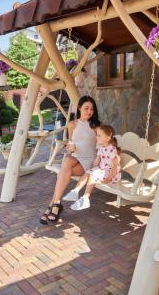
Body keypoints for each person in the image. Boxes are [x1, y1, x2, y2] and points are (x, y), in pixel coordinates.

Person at [40, 95, 100, 224]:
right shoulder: (72, 124)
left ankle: (53, 205)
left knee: (63, 171)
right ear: (79, 108)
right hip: (75, 157)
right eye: (86, 108)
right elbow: (70, 143)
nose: (89, 111)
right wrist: (69, 147)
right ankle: (56, 204)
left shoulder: (96, 126)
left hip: (89, 161)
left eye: (92, 109)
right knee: (67, 161)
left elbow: (102, 144)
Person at [64, 124, 121, 211]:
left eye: (99, 135)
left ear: (108, 137)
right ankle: (75, 191)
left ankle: (86, 198)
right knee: (89, 172)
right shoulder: (102, 148)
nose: (96, 137)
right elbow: (96, 162)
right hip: (102, 171)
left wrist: (108, 179)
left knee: (92, 174)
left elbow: (114, 168)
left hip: (111, 174)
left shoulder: (113, 151)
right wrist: (91, 169)